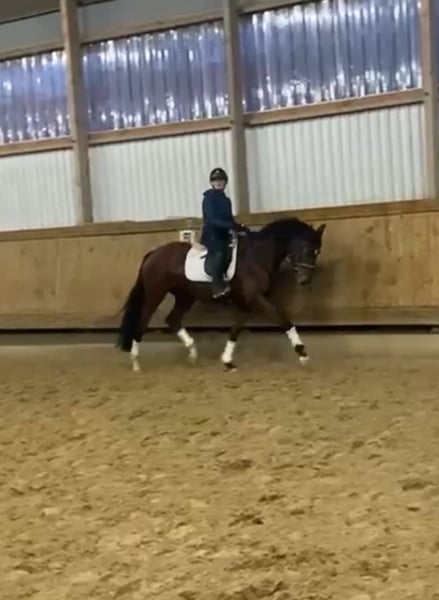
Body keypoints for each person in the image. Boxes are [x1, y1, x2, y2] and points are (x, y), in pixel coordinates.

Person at [200, 167, 246, 299]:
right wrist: (230, 226)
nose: (219, 182)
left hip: (225, 234)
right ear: (212, 183)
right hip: (212, 235)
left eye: (221, 180)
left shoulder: (226, 200)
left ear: (225, 182)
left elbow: (229, 219)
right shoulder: (208, 198)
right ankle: (217, 286)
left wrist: (240, 227)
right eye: (216, 180)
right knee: (219, 252)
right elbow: (211, 219)